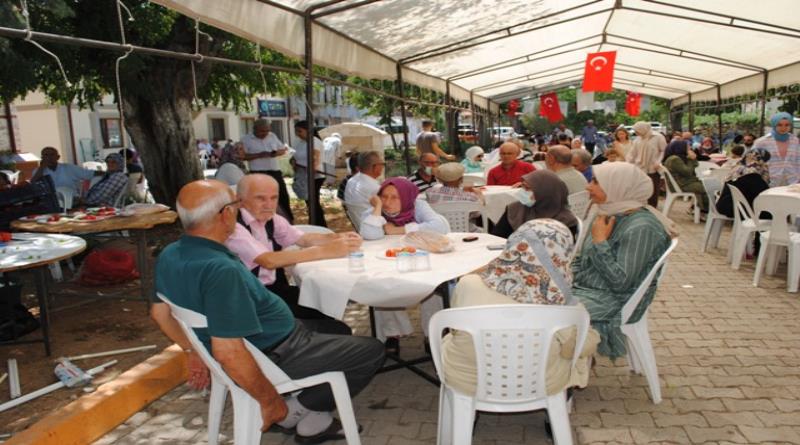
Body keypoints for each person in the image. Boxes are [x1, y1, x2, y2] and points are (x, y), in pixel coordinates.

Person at [150, 179, 384, 441]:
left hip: (275, 336)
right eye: (236, 205)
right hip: (277, 350)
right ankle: (296, 411)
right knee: (372, 351)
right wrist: (270, 402)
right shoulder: (220, 270)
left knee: (336, 329)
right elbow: (228, 351)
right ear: (226, 213)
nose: (238, 211)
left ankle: (314, 413)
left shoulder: (171, 253)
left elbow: (160, 315)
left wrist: (193, 349)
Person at [442, 219, 599, 397]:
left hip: (469, 379)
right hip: (538, 383)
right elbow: (576, 348)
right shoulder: (560, 302)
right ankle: (554, 415)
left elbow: (455, 329)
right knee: (582, 345)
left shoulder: (468, 284)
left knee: (450, 339)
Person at [226, 174, 359, 334]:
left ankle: (320, 346)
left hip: (276, 290)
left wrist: (338, 237)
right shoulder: (233, 227)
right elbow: (268, 260)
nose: (269, 205)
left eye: (274, 198)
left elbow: (303, 239)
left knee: (324, 302)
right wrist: (324, 251)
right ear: (240, 200)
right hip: (251, 301)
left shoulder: (272, 219)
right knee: (337, 328)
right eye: (260, 198)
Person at [572, 162, 674, 359]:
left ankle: (560, 376)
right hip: (589, 288)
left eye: (595, 181)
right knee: (536, 301)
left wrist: (600, 242)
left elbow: (621, 283)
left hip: (616, 300)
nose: (588, 186)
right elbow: (582, 258)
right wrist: (565, 277)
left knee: (547, 316)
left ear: (618, 186)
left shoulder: (642, 227)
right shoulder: (608, 212)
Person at [359, 177, 450, 351]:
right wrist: (377, 208)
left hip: (419, 259)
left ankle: (433, 333)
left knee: (434, 286)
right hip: (385, 261)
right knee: (381, 286)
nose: (387, 202)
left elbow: (440, 226)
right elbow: (370, 234)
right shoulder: (374, 211)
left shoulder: (418, 205)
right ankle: (392, 333)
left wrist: (399, 230)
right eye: (383, 197)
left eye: (395, 197)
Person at [491, 169, 579, 239]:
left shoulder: (565, 220)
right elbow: (497, 238)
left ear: (544, 192)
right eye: (523, 187)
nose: (523, 192)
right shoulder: (515, 209)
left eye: (528, 188)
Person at [241, 119, 293, 222]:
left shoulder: (272, 136)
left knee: (282, 195)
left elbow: (282, 150)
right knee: (261, 198)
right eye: (261, 131)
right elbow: (243, 156)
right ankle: (263, 220)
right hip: (257, 172)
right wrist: (259, 155)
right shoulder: (246, 139)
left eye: (266, 131)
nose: (264, 134)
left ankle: (287, 219)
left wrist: (274, 153)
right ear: (254, 129)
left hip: (274, 171)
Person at [715, 150, 771, 218]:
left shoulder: (738, 168)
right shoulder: (753, 175)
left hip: (724, 205)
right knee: (769, 208)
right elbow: (763, 195)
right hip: (734, 209)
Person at [292, 120, 327, 227]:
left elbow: (315, 158)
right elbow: (294, 156)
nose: (297, 134)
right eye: (296, 132)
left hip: (314, 176)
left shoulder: (314, 141)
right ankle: (314, 223)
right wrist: (293, 161)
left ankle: (320, 225)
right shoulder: (300, 143)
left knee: (313, 202)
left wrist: (312, 169)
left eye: (300, 131)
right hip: (302, 174)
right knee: (309, 202)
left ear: (308, 131)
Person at [752, 112, 800, 187]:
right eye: (779, 125)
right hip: (770, 181)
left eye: (787, 125)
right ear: (774, 125)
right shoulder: (761, 142)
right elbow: (752, 162)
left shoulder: (795, 140)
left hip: (793, 180)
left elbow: (798, 160)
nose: (783, 128)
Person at [626, 121, 667, 207]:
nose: (636, 133)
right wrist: (628, 162)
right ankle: (641, 206)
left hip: (653, 167)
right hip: (640, 167)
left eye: (637, 131)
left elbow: (663, 150)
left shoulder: (658, 137)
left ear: (643, 129)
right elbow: (632, 153)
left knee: (653, 188)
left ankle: (652, 207)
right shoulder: (638, 139)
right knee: (640, 188)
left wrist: (658, 161)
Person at [31, 146, 102, 195]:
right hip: (50, 203)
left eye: (52, 155)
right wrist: (42, 167)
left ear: (58, 157)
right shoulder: (38, 171)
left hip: (71, 200)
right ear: (42, 158)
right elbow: (33, 184)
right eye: (46, 155)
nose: (49, 157)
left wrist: (109, 172)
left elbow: (89, 174)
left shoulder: (68, 168)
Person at [662, 140, 708, 212]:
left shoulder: (677, 158)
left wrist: (693, 158)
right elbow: (688, 172)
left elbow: (695, 165)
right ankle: (706, 210)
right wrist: (691, 159)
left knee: (704, 185)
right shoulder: (674, 159)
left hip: (683, 183)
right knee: (706, 187)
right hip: (681, 185)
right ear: (681, 148)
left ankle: (698, 209)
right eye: (688, 147)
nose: (690, 148)